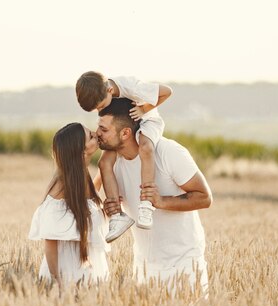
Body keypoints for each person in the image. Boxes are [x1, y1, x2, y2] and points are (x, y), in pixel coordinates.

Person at [97, 98, 212, 292]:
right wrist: (108, 209)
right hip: (143, 266)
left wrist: (161, 201)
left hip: (184, 265)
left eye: (104, 129)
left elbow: (204, 197)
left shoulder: (168, 152)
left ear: (125, 133)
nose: (97, 133)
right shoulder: (111, 165)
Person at [76, 71, 173, 241]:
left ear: (110, 90)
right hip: (123, 125)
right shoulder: (102, 92)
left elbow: (167, 91)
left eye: (99, 106)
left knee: (145, 148)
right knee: (104, 163)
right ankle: (116, 215)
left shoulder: (132, 86)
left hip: (146, 120)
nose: (100, 110)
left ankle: (146, 204)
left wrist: (144, 109)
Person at [28, 123, 109, 287]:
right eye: (91, 136)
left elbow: (87, 202)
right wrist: (56, 281)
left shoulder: (79, 175)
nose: (96, 133)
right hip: (66, 268)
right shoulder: (61, 187)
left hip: (84, 265)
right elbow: (50, 241)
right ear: (81, 151)